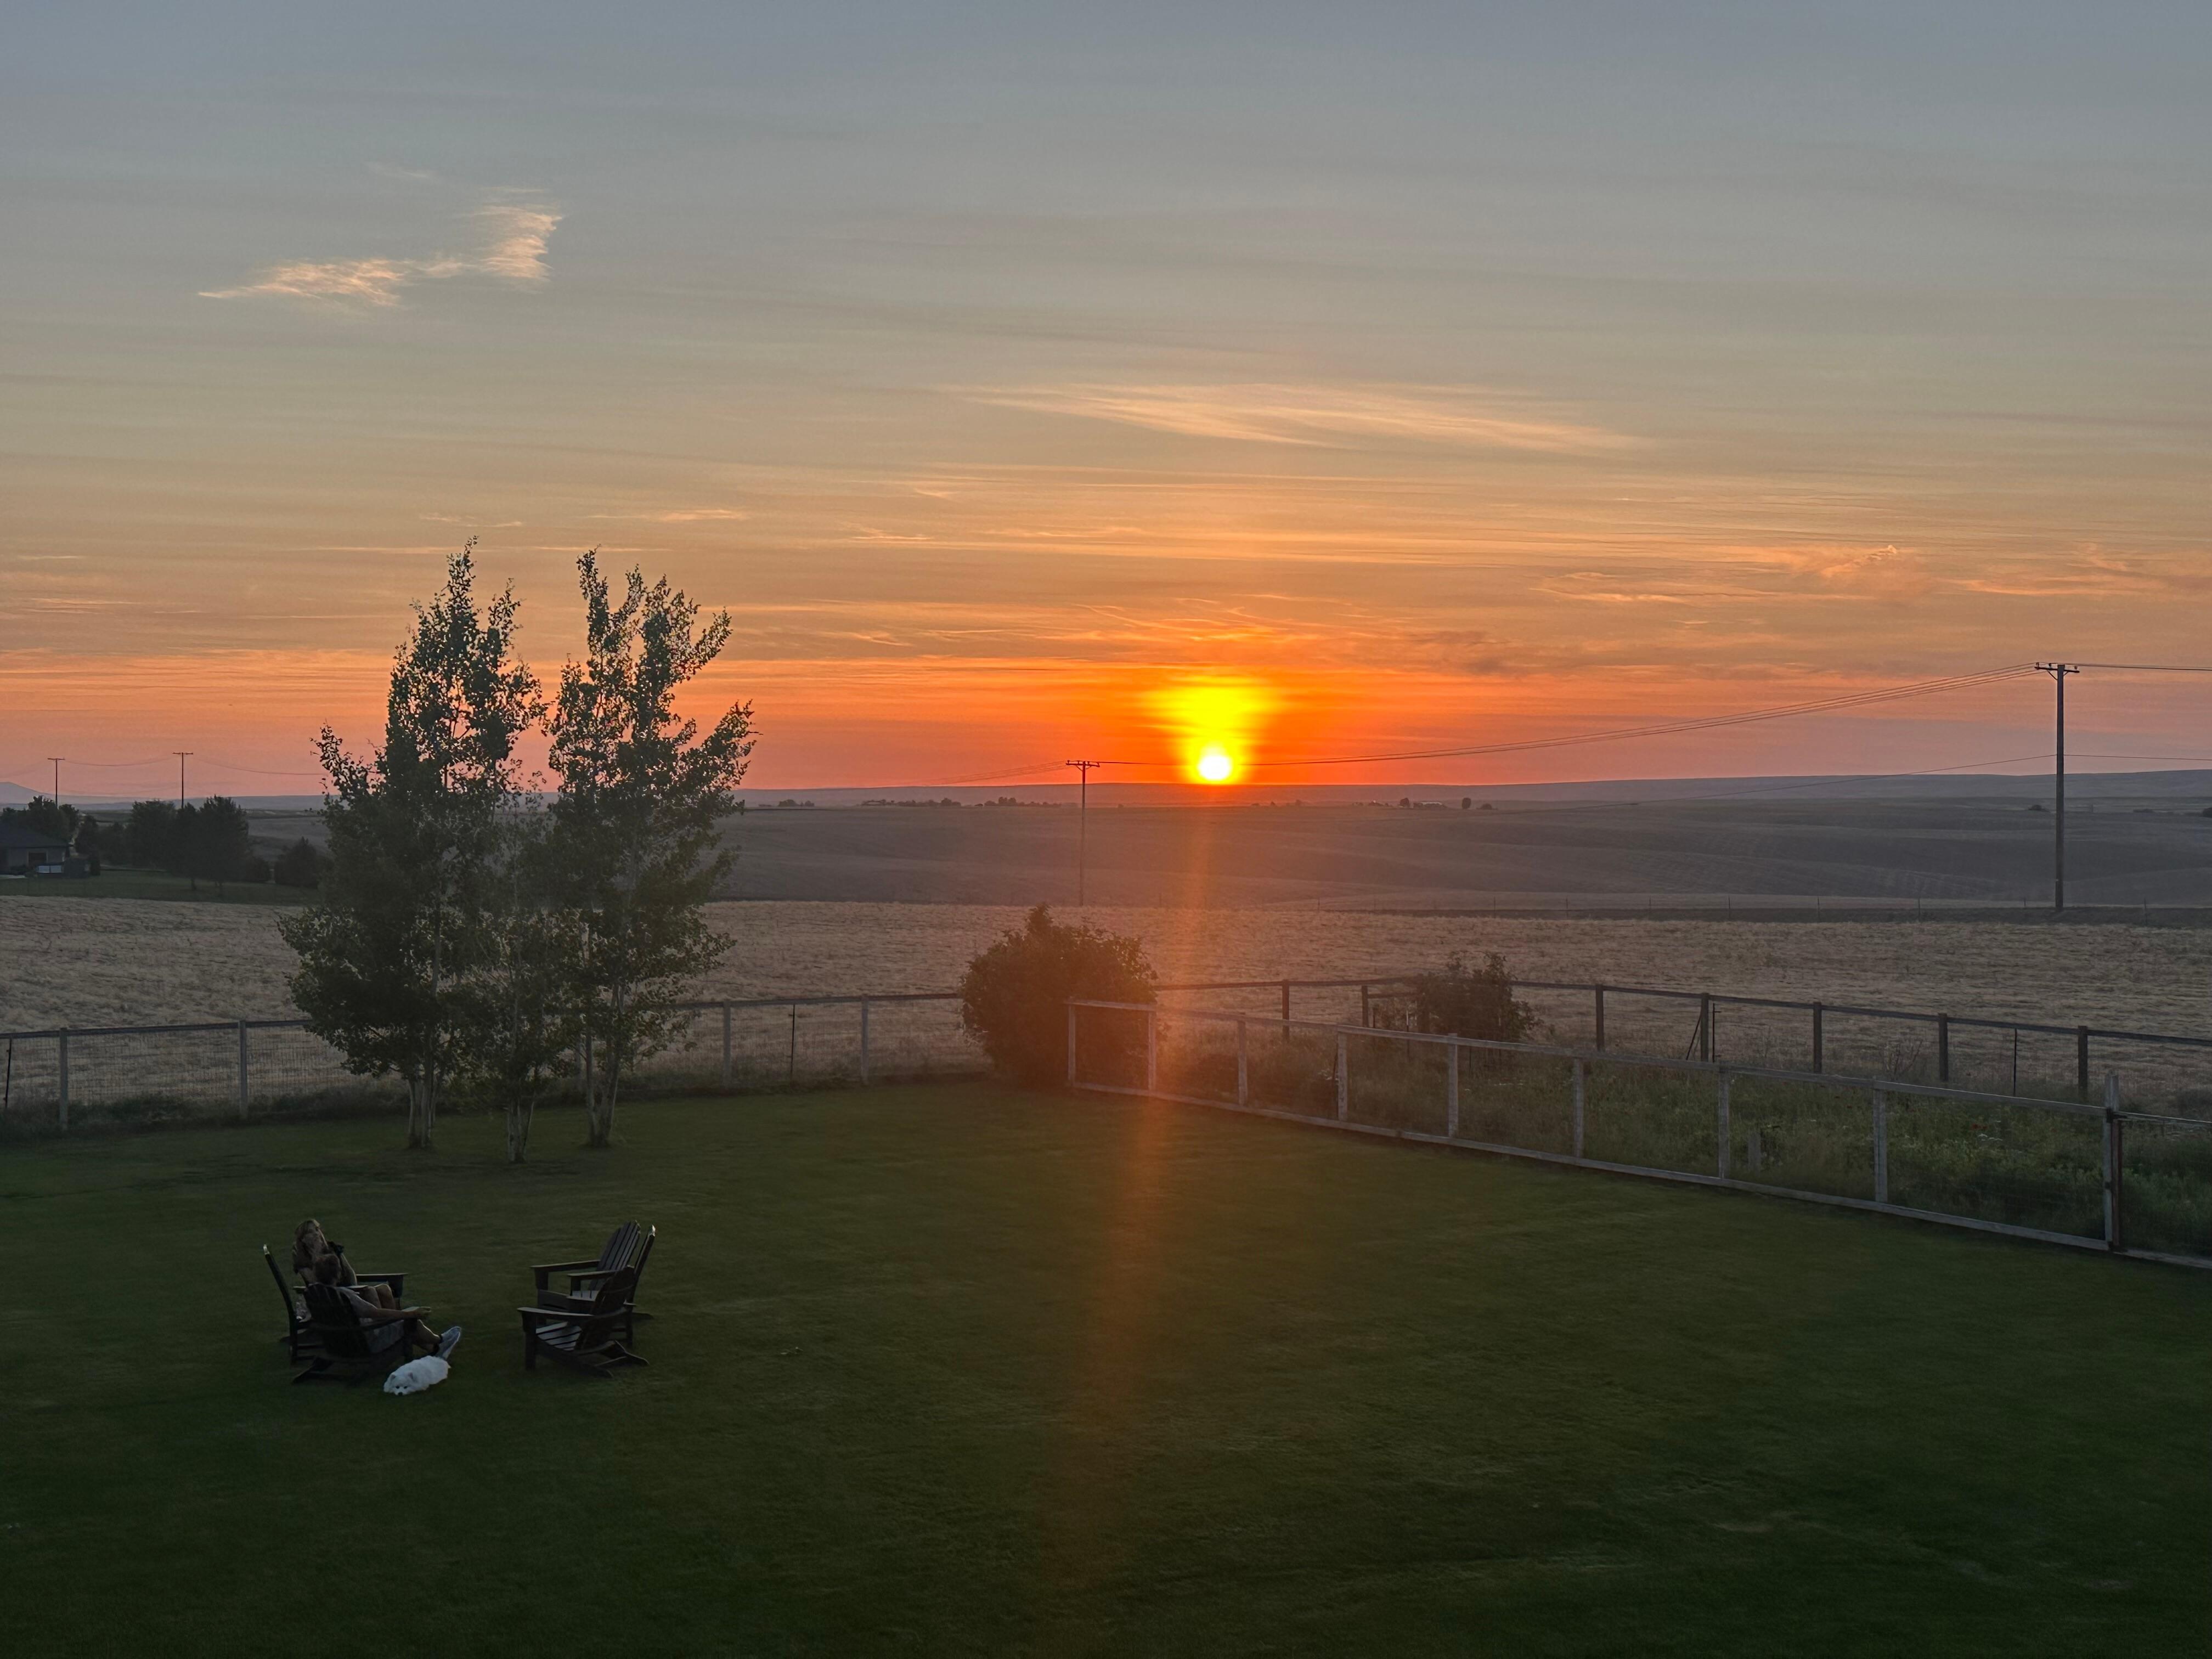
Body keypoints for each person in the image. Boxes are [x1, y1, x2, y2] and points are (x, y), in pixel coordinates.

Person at [312, 1253, 461, 1361]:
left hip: (337, 1344)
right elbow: (375, 1313)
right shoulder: (344, 1295)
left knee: (403, 1324)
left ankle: (435, 1350)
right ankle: (440, 1340)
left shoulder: (313, 1294)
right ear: (338, 1274)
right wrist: (412, 1314)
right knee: (410, 1324)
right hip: (367, 1343)